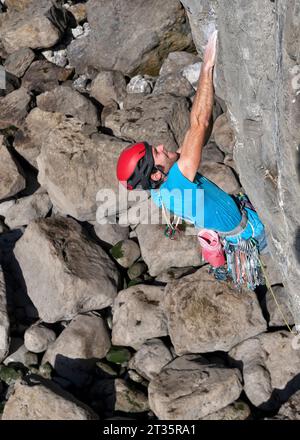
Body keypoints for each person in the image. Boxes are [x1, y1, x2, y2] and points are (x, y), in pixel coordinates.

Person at [116, 31, 267, 258]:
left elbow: (196, 133)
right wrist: (207, 66)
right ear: (156, 174)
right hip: (254, 233)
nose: (159, 147)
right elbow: (200, 123)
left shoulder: (161, 189)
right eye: (154, 153)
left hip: (241, 231)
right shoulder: (177, 183)